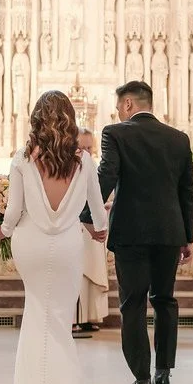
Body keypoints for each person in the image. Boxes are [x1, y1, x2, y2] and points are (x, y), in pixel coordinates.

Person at [0, 90, 108, 384]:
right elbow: (98, 218)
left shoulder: (23, 160)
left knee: (35, 328)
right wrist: (96, 228)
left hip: (30, 247)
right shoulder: (84, 162)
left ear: (37, 120)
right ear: (70, 119)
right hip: (65, 251)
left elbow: (12, 215)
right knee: (58, 330)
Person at [81, 80, 193, 384]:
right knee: (165, 301)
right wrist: (187, 236)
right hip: (169, 235)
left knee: (133, 305)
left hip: (131, 234)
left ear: (129, 104)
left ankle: (142, 381)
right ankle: (163, 374)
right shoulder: (178, 139)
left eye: (120, 107)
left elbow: (106, 176)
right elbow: (188, 192)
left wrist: (86, 217)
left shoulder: (116, 134)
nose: (118, 113)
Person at [74, 127, 108, 338]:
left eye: (89, 147)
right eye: (81, 147)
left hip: (91, 223)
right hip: (76, 223)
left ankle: (89, 317)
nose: (85, 151)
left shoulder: (90, 164)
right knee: (76, 274)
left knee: (91, 272)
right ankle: (72, 318)